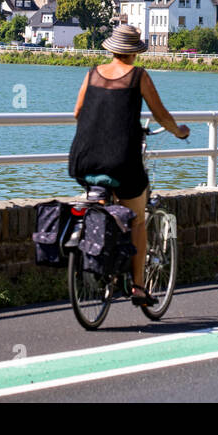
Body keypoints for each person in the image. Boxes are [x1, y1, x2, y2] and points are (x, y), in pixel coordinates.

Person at [69, 24, 189, 306]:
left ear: (111, 49)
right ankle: (137, 286)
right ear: (135, 52)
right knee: (136, 219)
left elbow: (77, 112)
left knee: (99, 199)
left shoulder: (92, 74)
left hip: (84, 158)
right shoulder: (138, 76)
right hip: (122, 160)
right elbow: (161, 115)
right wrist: (179, 131)